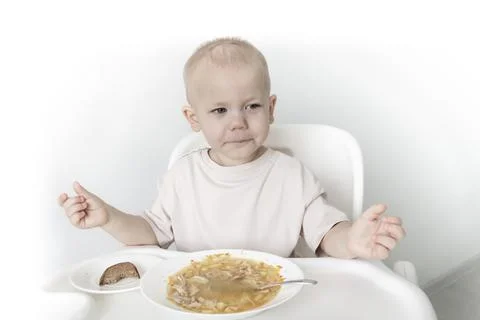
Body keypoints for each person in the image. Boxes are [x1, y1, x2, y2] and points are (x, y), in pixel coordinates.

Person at [58, 37, 405, 259]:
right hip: (199, 301)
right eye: (220, 110)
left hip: (277, 298)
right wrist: (108, 218)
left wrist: (353, 240)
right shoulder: (182, 177)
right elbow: (151, 234)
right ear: (193, 118)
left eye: (251, 106)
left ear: (271, 108)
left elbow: (327, 233)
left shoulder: (290, 174)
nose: (237, 122)